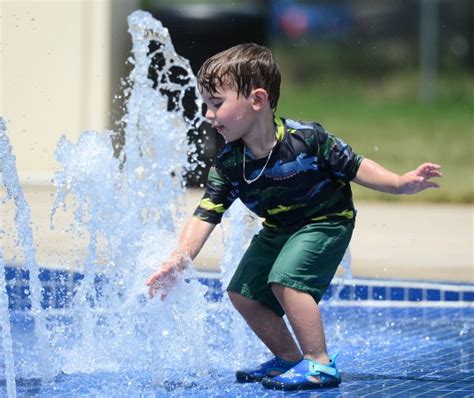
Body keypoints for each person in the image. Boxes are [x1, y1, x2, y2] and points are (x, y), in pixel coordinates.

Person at [146, 43, 441, 391]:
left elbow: (356, 166)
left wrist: (400, 184)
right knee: (243, 293)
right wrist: (180, 258)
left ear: (257, 100)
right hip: (279, 228)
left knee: (285, 279)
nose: (208, 115)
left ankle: (319, 363)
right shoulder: (229, 164)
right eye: (207, 105)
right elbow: (206, 212)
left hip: (325, 221)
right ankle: (288, 358)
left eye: (217, 104)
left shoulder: (307, 139)